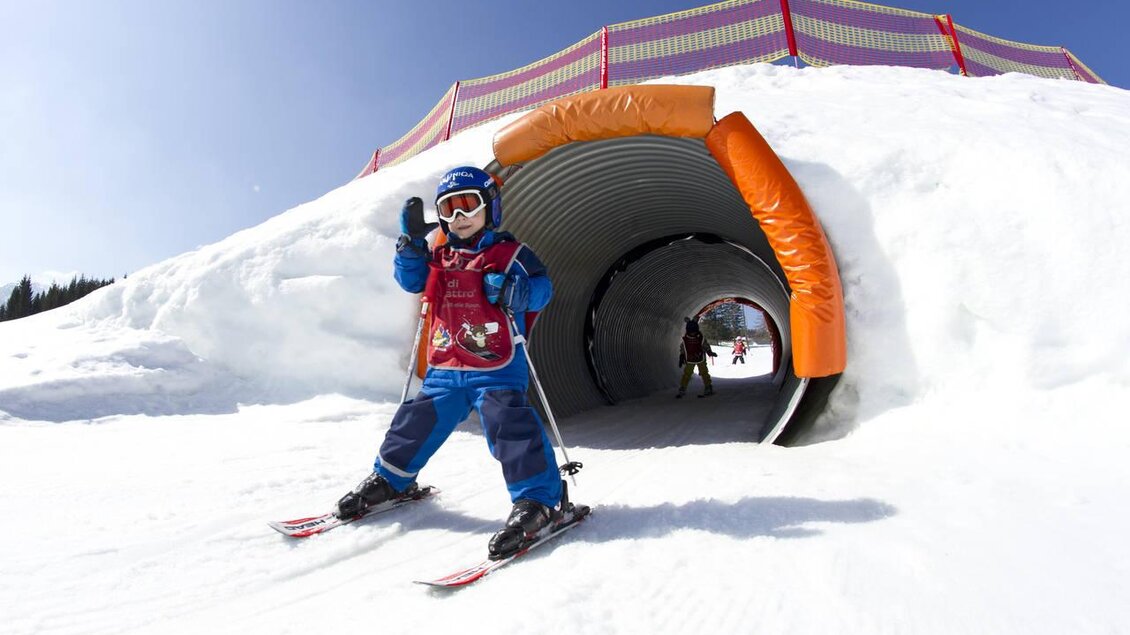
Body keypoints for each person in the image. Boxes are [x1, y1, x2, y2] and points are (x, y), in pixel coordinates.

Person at [335, 166, 565, 560]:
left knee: (510, 427)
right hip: (445, 363)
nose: (459, 217)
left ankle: (538, 501)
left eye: (468, 205)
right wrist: (409, 246)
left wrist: (517, 290)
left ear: (490, 207)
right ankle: (392, 479)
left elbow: (542, 289)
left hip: (495, 364)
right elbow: (411, 281)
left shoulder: (511, 255)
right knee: (416, 420)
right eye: (449, 209)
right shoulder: (438, 255)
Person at [676, 317, 717, 398]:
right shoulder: (686, 339)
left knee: (704, 372)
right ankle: (683, 388)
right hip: (690, 359)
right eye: (691, 332)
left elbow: (704, 345)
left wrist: (709, 352)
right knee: (687, 374)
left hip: (700, 358)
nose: (692, 334)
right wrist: (681, 356)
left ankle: (708, 386)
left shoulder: (699, 337)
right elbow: (683, 347)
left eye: (694, 331)